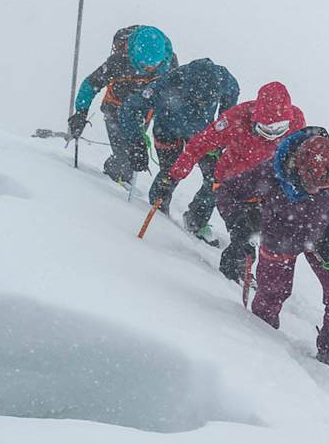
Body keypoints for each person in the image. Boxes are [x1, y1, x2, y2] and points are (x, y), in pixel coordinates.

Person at [216, 127, 329, 371]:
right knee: (272, 294)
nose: (317, 192)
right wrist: (238, 226)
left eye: (324, 187)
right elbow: (227, 192)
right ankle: (263, 344)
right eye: (311, 184)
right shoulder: (273, 170)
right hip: (279, 235)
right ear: (298, 166)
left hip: (323, 238)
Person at [166, 81, 306, 281]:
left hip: (265, 187)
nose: (272, 136)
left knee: (247, 232)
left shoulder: (298, 120)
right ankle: (195, 222)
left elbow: (298, 155)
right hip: (230, 180)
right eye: (266, 129)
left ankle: (236, 269)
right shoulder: (236, 118)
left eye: (279, 130)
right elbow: (202, 141)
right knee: (209, 196)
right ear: (256, 118)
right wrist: (176, 173)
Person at [116, 58, 239, 238]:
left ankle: (196, 221)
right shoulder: (166, 83)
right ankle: (158, 212)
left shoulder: (224, 79)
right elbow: (130, 108)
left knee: (216, 179)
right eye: (195, 98)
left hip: (204, 135)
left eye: (206, 100)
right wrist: (136, 142)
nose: (200, 103)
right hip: (167, 130)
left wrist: (222, 128)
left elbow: (231, 97)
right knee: (169, 172)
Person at [67, 25, 177, 182]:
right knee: (125, 157)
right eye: (145, 65)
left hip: (143, 113)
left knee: (133, 154)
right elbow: (91, 84)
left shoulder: (169, 63)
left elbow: (172, 93)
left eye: (154, 65)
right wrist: (81, 112)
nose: (149, 69)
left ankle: (119, 175)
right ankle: (114, 176)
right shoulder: (119, 62)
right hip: (115, 109)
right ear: (134, 55)